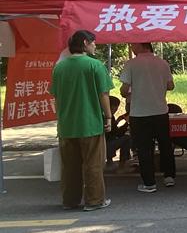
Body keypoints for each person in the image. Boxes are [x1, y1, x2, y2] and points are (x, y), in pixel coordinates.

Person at [50, 30, 113, 212]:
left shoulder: (59, 67)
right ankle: (94, 200)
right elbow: (103, 94)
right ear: (85, 43)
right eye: (93, 42)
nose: (95, 45)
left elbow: (56, 97)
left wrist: (61, 117)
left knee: (70, 166)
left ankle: (70, 201)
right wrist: (108, 116)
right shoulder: (95, 65)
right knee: (93, 164)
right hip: (90, 124)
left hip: (66, 125)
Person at [120, 43, 176, 192]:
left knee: (144, 147)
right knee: (165, 144)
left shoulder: (131, 64)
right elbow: (171, 86)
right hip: (160, 111)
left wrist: (132, 90)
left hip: (139, 113)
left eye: (133, 45)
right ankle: (169, 176)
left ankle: (149, 183)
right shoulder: (163, 63)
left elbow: (124, 90)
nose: (131, 48)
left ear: (142, 45)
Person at [105, 95, 131, 170]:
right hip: (106, 146)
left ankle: (111, 162)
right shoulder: (107, 117)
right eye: (115, 106)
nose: (116, 109)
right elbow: (116, 133)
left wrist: (119, 121)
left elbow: (115, 131)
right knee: (128, 138)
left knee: (126, 137)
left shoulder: (110, 117)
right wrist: (126, 123)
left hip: (107, 144)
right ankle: (122, 165)